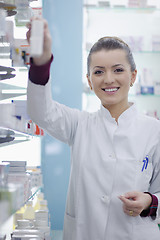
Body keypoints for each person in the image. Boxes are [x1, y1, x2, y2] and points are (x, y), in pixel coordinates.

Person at [26, 18, 160, 240]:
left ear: (133, 76)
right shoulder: (79, 124)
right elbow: (41, 111)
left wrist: (150, 201)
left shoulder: (154, 130)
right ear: (89, 81)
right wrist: (41, 61)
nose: (108, 79)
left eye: (118, 70)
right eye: (98, 72)